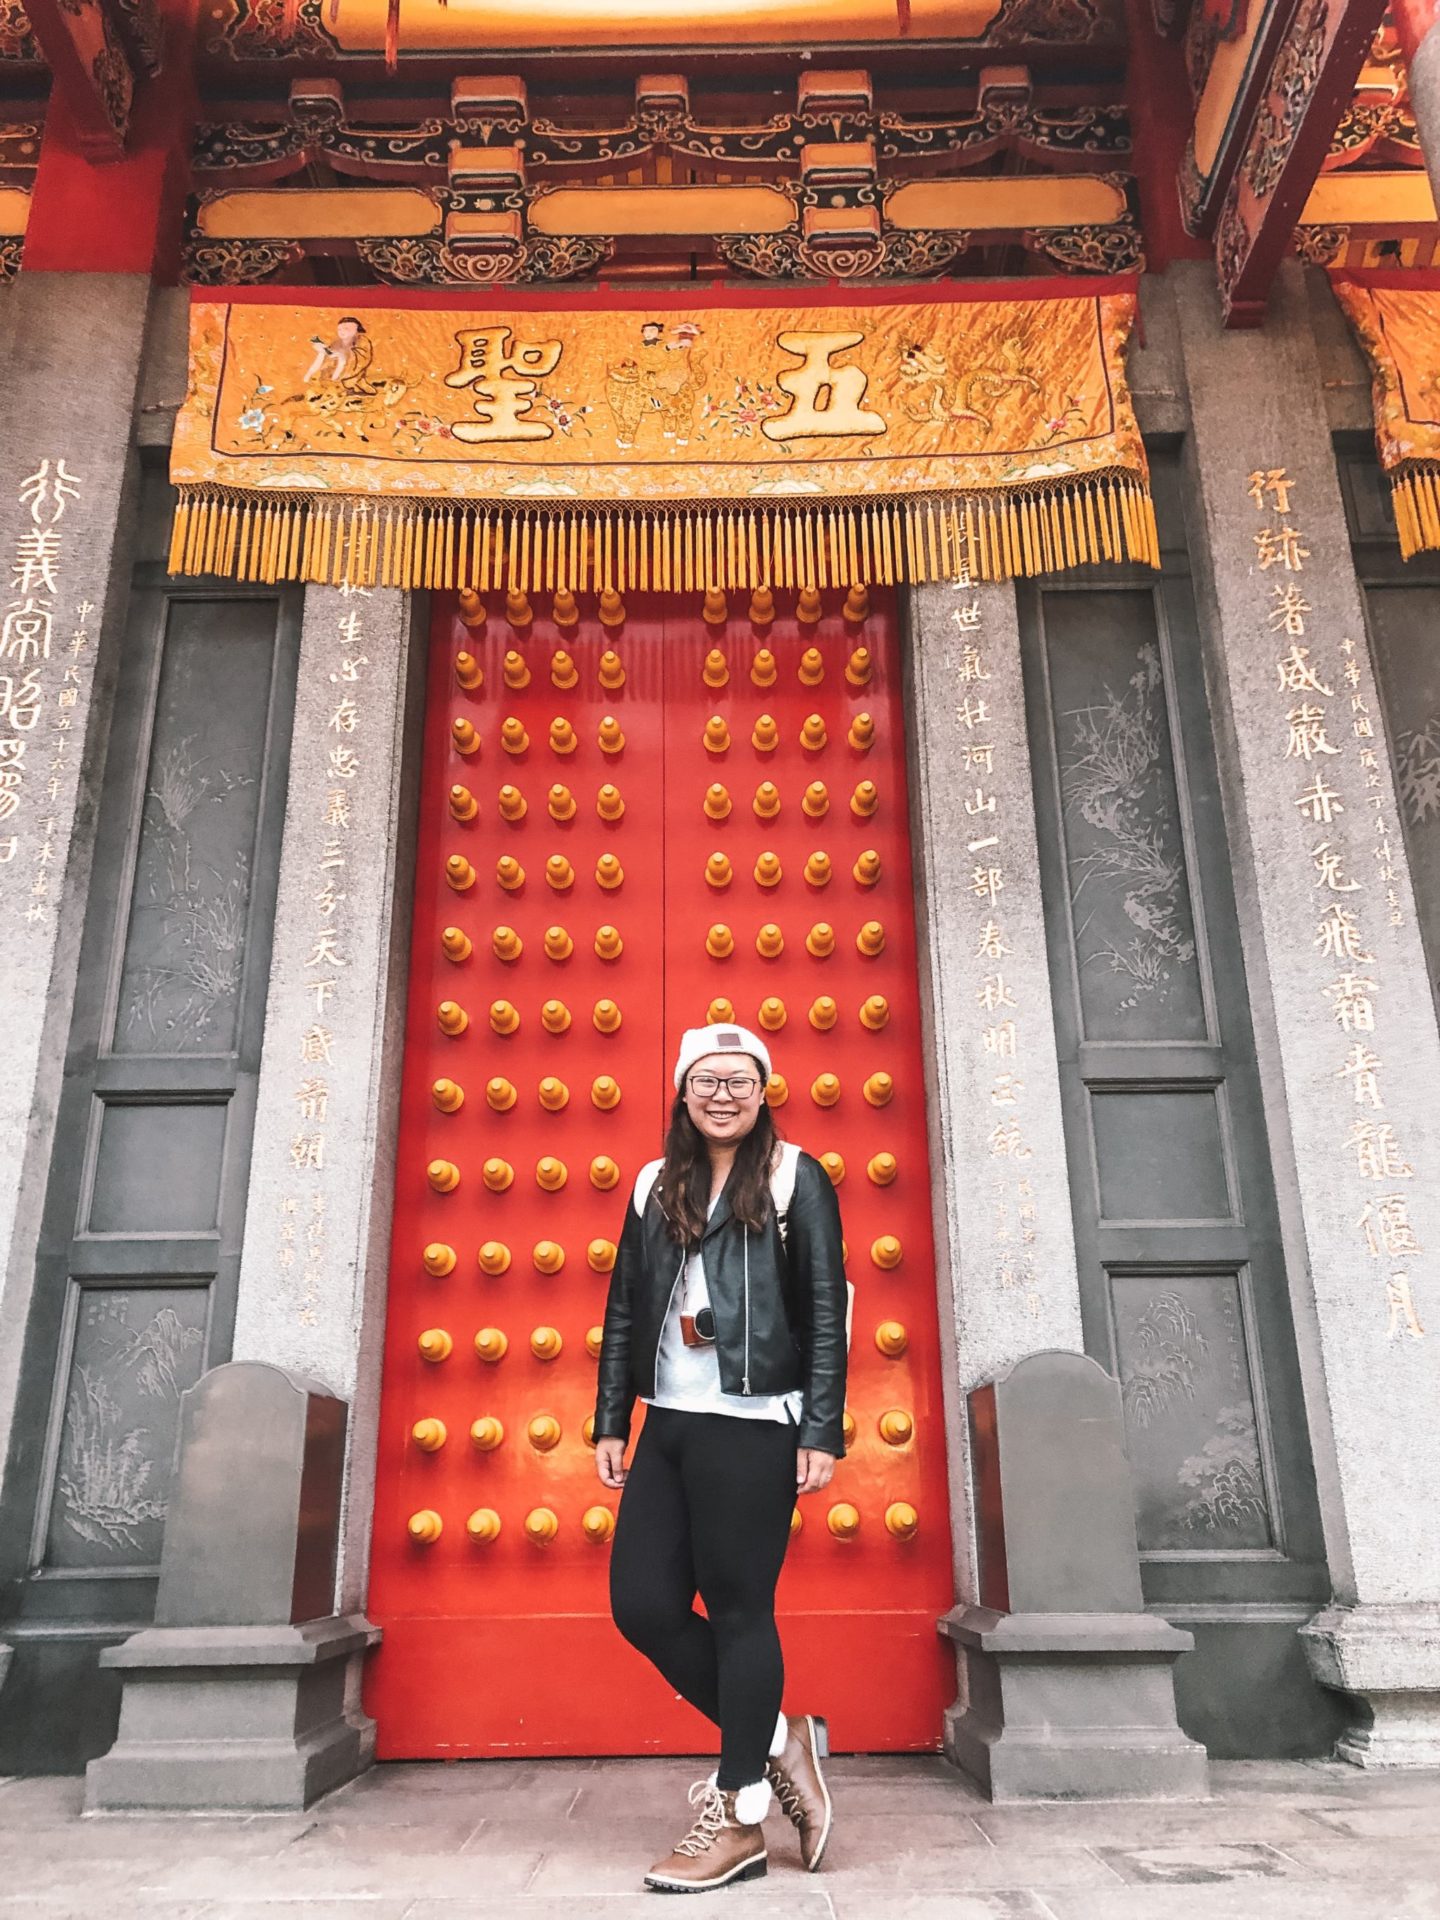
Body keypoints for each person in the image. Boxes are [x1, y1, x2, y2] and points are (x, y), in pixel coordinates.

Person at [593, 1022, 848, 1893]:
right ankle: (782, 1739)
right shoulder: (654, 1183)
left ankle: (740, 1814)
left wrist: (821, 1429)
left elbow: (823, 1310)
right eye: (707, 1081)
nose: (724, 1095)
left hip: (753, 1422)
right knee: (642, 1606)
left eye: (740, 1080)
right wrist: (609, 1421)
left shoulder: (793, 1177)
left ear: (764, 1089)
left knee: (742, 1610)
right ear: (683, 1092)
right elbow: (627, 1304)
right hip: (668, 1422)